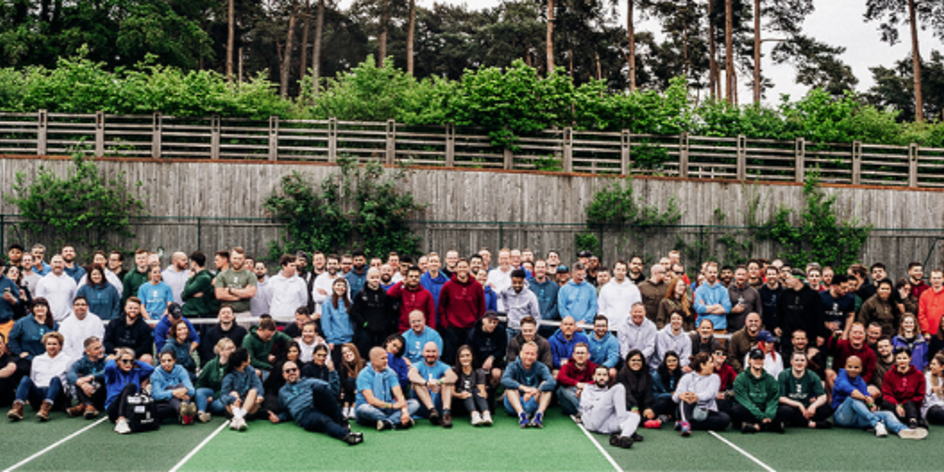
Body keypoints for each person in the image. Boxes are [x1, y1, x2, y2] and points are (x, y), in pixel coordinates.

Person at [268, 360, 363, 445]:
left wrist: (332, 372)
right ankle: (347, 435)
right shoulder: (282, 392)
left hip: (320, 405)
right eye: (288, 371)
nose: (291, 372)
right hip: (305, 414)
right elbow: (287, 411)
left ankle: (341, 421)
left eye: (294, 369)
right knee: (324, 420)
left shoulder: (310, 381)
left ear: (299, 371)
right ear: (283, 375)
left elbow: (332, 392)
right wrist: (279, 417)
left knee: (319, 388)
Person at [832, 355, 926, 439]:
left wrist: (871, 405)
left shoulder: (861, 381)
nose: (852, 369)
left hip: (858, 418)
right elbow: (853, 393)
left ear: (861, 369)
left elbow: (868, 399)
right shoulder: (841, 377)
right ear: (845, 367)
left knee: (887, 414)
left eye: (856, 367)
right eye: (849, 366)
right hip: (842, 417)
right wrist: (866, 399)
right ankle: (877, 423)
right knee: (852, 399)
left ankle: (903, 430)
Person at [6, 332, 68, 421]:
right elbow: (33, 378)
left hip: (57, 397)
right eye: (49, 344)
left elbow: (70, 382)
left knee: (55, 379)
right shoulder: (37, 359)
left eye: (54, 344)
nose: (51, 346)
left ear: (60, 346)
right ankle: (17, 408)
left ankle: (46, 408)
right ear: (45, 345)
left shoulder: (68, 360)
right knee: (26, 379)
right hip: (38, 395)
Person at [354, 347, 420, 430]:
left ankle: (387, 422)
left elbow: (399, 395)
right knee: (364, 409)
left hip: (388, 408)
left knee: (414, 404)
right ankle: (395, 420)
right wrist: (391, 406)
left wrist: (405, 412)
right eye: (383, 358)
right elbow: (371, 400)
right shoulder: (364, 375)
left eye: (386, 358)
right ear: (373, 361)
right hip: (371, 409)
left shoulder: (390, 372)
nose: (386, 361)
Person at [437, 258, 486, 364]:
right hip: (452, 328)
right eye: (460, 267)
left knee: (469, 357)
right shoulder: (447, 286)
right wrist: (445, 325)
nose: (462, 269)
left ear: (469, 268)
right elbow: (441, 307)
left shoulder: (477, 286)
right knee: (451, 358)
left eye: (464, 267)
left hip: (470, 328)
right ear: (455, 269)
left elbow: (481, 308)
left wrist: (477, 325)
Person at [581, 365, 642, 448]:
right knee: (619, 387)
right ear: (594, 377)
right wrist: (604, 403)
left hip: (605, 425)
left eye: (604, 375)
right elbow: (587, 405)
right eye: (599, 375)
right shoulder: (588, 388)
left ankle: (623, 437)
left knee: (634, 416)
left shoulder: (610, 391)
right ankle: (625, 425)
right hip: (592, 420)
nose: (601, 377)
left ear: (608, 378)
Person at [674, 352, 731, 436]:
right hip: (688, 410)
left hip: (707, 411)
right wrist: (680, 395)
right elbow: (675, 398)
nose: (713, 365)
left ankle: (686, 424)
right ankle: (685, 423)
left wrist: (697, 397)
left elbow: (711, 394)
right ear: (702, 365)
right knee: (685, 398)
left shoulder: (715, 378)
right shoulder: (686, 377)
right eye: (710, 362)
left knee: (725, 419)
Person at [502, 341, 555, 428]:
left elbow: (552, 382)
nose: (529, 357)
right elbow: (504, 380)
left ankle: (538, 416)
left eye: (532, 354)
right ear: (521, 354)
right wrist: (523, 388)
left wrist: (537, 390)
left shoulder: (541, 367)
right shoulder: (512, 366)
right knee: (509, 388)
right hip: (514, 404)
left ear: (536, 356)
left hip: (532, 402)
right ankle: (522, 416)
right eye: (526, 353)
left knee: (546, 386)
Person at [104, 347, 155, 434]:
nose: (128, 364)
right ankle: (121, 419)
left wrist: (136, 361)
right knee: (131, 387)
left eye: (131, 361)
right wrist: (113, 359)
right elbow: (109, 367)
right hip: (114, 408)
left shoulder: (136, 372)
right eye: (125, 361)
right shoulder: (113, 373)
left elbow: (150, 369)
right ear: (118, 361)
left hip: (131, 406)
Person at [777, 269, 826, 356]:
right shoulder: (785, 294)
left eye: (788, 278)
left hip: (807, 335)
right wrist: (777, 326)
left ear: (796, 279)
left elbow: (819, 316)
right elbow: (780, 312)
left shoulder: (812, 295)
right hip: (788, 335)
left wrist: (820, 334)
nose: (786, 281)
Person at [776, 351, 832, 429]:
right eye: (796, 360)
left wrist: (813, 406)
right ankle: (810, 423)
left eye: (802, 360)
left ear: (806, 363)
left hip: (807, 406)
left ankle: (797, 421)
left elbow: (823, 396)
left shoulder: (812, 375)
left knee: (826, 408)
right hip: (791, 406)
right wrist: (799, 404)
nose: (799, 363)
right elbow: (780, 397)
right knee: (785, 411)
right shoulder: (784, 375)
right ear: (791, 362)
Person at [408, 341, 456, 427]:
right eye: (428, 351)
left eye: (433, 351)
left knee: (447, 383)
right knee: (416, 383)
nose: (431, 354)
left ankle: (446, 414)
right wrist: (426, 383)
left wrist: (439, 382)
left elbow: (453, 376)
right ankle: (432, 410)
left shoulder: (442, 366)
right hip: (421, 406)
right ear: (423, 352)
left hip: (438, 405)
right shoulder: (417, 365)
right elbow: (411, 375)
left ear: (438, 353)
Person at [350, 267, 396, 358]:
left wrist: (385, 325)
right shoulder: (361, 294)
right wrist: (364, 324)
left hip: (382, 332)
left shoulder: (385, 294)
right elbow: (355, 312)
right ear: (367, 277)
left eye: (377, 277)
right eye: (372, 277)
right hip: (365, 333)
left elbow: (390, 312)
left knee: (381, 356)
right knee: (365, 356)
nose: (375, 280)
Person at [827, 323, 878, 396]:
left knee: (874, 391)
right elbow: (831, 347)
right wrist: (834, 337)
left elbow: (869, 373)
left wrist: (857, 385)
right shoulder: (842, 344)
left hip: (859, 383)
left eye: (860, 333)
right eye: (855, 332)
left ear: (865, 336)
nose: (857, 335)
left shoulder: (870, 353)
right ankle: (837, 400)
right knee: (829, 372)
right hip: (841, 381)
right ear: (849, 335)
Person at [881, 346, 927, 429]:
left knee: (909, 404)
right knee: (885, 404)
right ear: (895, 358)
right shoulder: (889, 374)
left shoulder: (919, 375)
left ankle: (912, 422)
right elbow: (887, 394)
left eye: (905, 358)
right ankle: (906, 422)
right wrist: (897, 405)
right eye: (899, 358)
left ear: (910, 358)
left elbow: (920, 395)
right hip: (895, 405)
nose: (902, 361)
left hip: (911, 405)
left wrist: (903, 404)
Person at [221, 347, 264, 431]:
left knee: (253, 391)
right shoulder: (229, 376)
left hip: (249, 408)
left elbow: (258, 385)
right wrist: (233, 399)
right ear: (243, 362)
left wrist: (260, 395)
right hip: (233, 408)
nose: (250, 359)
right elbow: (223, 396)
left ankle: (238, 418)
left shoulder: (250, 370)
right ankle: (239, 418)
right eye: (248, 357)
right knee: (233, 393)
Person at [214, 247, 259, 327]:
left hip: (243, 313)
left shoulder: (250, 275)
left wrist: (230, 290)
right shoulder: (222, 275)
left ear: (243, 259)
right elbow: (219, 295)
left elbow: (250, 293)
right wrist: (241, 295)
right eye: (235, 258)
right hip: (225, 314)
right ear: (230, 258)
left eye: (239, 258)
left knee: (243, 334)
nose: (237, 261)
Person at [150, 350, 197, 425]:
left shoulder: (180, 370)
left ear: (174, 361)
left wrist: (184, 391)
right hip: (164, 402)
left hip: (181, 398)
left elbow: (191, 390)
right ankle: (185, 411)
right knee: (170, 388)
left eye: (169, 360)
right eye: (163, 361)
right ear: (160, 362)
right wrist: (173, 393)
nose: (166, 363)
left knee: (181, 385)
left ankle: (184, 413)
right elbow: (156, 395)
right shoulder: (156, 374)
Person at [195, 338, 235, 422]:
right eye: (229, 349)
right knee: (200, 391)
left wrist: (213, 398)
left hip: (224, 395)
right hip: (212, 391)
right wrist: (206, 396)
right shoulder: (211, 364)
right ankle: (201, 413)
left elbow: (229, 387)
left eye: (233, 348)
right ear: (220, 351)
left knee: (220, 405)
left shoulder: (234, 366)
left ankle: (206, 406)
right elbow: (200, 383)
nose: (232, 351)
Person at [8, 298, 58, 366]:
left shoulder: (54, 324)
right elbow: (12, 338)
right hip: (28, 360)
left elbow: (59, 341)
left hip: (48, 360)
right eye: (37, 306)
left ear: (47, 308)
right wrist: (19, 352)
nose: (39, 308)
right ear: (32, 308)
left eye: (42, 306)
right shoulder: (22, 323)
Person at [66, 336, 107, 418]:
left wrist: (91, 377)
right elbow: (70, 375)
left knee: (102, 379)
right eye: (96, 349)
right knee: (78, 377)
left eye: (101, 347)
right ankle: (89, 405)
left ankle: (83, 406)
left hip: (102, 394)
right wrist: (82, 384)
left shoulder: (106, 359)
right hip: (87, 392)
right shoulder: (81, 362)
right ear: (87, 352)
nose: (101, 350)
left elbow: (108, 372)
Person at [450, 345, 492, 426]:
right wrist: (459, 395)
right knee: (465, 391)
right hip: (459, 401)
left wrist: (483, 393)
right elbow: (451, 392)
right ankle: (474, 415)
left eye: (467, 355)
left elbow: (482, 391)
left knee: (477, 391)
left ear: (472, 357)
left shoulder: (478, 371)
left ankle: (486, 414)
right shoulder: (454, 371)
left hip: (475, 399)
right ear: (458, 358)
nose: (465, 358)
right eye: (462, 356)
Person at [103, 297, 153, 364]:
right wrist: (115, 350)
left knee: (147, 358)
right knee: (109, 359)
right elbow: (107, 342)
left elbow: (145, 347)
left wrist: (130, 354)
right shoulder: (114, 323)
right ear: (125, 308)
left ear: (139, 310)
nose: (133, 310)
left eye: (135, 308)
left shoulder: (145, 327)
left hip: (135, 356)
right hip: (116, 354)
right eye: (130, 308)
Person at [388, 266, 436, 332]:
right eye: (411, 276)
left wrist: (431, 331)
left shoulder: (426, 294)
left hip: (421, 330)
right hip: (404, 330)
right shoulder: (402, 292)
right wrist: (401, 282)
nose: (413, 278)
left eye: (416, 276)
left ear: (420, 278)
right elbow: (390, 293)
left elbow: (431, 315)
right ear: (406, 278)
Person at [498, 269, 541, 342]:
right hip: (510, 328)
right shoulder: (507, 291)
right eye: (514, 282)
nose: (517, 285)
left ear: (524, 281)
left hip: (524, 331)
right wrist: (507, 311)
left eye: (519, 283)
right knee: (510, 348)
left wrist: (533, 331)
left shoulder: (531, 296)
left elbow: (536, 316)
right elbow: (502, 295)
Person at [616, 349, 656, 426]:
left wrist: (647, 407)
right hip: (629, 403)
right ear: (628, 362)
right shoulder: (622, 374)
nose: (636, 362)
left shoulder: (647, 375)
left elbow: (648, 394)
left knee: (660, 402)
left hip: (641, 403)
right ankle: (643, 421)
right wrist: (635, 407)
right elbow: (627, 393)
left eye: (639, 360)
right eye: (633, 360)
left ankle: (646, 418)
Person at [467, 312, 506, 389]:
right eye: (490, 322)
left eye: (494, 322)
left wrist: (491, 358)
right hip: (477, 361)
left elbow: (502, 350)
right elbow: (470, 351)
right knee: (479, 374)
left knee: (496, 374)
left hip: (494, 360)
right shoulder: (473, 333)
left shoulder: (501, 331)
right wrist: (480, 365)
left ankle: (492, 392)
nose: (492, 325)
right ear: (483, 321)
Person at [59, 297, 105, 361]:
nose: (80, 307)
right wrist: (76, 360)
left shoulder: (96, 321)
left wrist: (90, 357)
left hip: (93, 358)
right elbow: (65, 345)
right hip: (71, 359)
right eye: (77, 305)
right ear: (73, 307)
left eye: (83, 305)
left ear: (87, 306)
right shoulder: (66, 323)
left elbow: (99, 340)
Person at [598, 261, 642, 328]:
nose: (620, 272)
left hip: (628, 327)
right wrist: (604, 324)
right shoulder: (605, 288)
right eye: (618, 269)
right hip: (609, 327)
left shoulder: (633, 289)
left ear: (626, 271)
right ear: (613, 270)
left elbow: (637, 308)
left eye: (623, 270)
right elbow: (601, 308)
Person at [556, 342, 597, 416]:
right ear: (573, 355)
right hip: (570, 404)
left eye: (582, 353)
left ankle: (583, 411)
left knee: (595, 387)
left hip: (586, 398)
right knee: (562, 388)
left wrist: (584, 387)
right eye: (578, 353)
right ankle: (582, 410)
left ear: (588, 355)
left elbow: (598, 380)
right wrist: (577, 384)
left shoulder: (593, 366)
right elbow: (561, 377)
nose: (580, 355)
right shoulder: (567, 365)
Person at [266, 254, 309, 324]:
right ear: (284, 266)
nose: (294, 268)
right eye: (291, 265)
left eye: (295, 265)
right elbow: (269, 299)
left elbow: (304, 301)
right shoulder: (272, 281)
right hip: (276, 320)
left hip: (293, 321)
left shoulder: (300, 282)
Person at [322, 278, 354, 367]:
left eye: (343, 286)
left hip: (348, 339)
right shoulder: (327, 303)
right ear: (333, 286)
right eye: (338, 285)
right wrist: (330, 340)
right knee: (337, 365)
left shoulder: (349, 303)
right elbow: (325, 323)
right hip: (335, 341)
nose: (340, 288)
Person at [694, 262, 732, 334]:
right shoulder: (699, 290)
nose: (712, 274)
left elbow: (727, 308)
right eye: (710, 272)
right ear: (705, 273)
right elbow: (699, 308)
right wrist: (717, 306)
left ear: (717, 273)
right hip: (702, 328)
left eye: (714, 272)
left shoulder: (723, 290)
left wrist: (706, 308)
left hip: (720, 328)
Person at [181, 251, 219, 323]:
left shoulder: (203, 278)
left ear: (194, 263)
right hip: (194, 312)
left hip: (195, 312)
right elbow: (183, 296)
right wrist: (191, 294)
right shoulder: (200, 276)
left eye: (190, 262)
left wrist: (190, 278)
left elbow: (186, 292)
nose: (190, 265)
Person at [728, 266, 763, 332]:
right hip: (730, 330)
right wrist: (732, 310)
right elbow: (722, 310)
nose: (741, 277)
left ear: (747, 276)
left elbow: (759, 312)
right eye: (739, 274)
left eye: (743, 275)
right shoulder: (727, 291)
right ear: (734, 276)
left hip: (749, 330)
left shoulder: (754, 292)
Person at [528, 260, 559, 334]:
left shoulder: (554, 286)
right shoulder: (528, 285)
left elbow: (557, 304)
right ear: (534, 269)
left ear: (546, 269)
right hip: (532, 325)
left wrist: (548, 316)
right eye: (538, 267)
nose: (540, 269)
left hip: (549, 325)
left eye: (542, 267)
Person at [652, 351, 683, 421]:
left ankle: (671, 416)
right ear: (665, 362)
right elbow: (654, 395)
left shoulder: (682, 374)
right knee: (662, 403)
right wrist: (670, 395)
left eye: (674, 360)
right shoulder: (657, 375)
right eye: (669, 361)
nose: (672, 363)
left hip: (677, 400)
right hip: (663, 399)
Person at [587, 315, 619, 379]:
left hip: (606, 368)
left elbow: (613, 358)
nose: (601, 329)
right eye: (598, 326)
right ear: (594, 327)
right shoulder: (587, 339)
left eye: (603, 326)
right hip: (590, 367)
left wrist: (601, 368)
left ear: (607, 327)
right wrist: (593, 368)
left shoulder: (613, 340)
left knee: (612, 372)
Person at [337, 343, 364, 419]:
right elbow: (343, 382)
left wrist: (357, 389)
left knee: (354, 382)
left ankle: (352, 408)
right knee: (350, 381)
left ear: (354, 351)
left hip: (360, 392)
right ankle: (346, 409)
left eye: (349, 351)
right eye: (344, 353)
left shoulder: (363, 363)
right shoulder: (342, 366)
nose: (347, 354)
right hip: (348, 392)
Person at [918, 268, 944, 338]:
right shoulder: (924, 294)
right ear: (930, 280)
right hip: (929, 334)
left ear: (943, 279)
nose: (936, 280)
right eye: (934, 278)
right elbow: (921, 314)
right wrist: (926, 331)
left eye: (939, 278)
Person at [923, 352, 944, 425]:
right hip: (931, 408)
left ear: (942, 367)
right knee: (936, 411)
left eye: (934, 364)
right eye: (931, 364)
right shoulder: (927, 376)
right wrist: (931, 390)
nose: (931, 366)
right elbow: (925, 399)